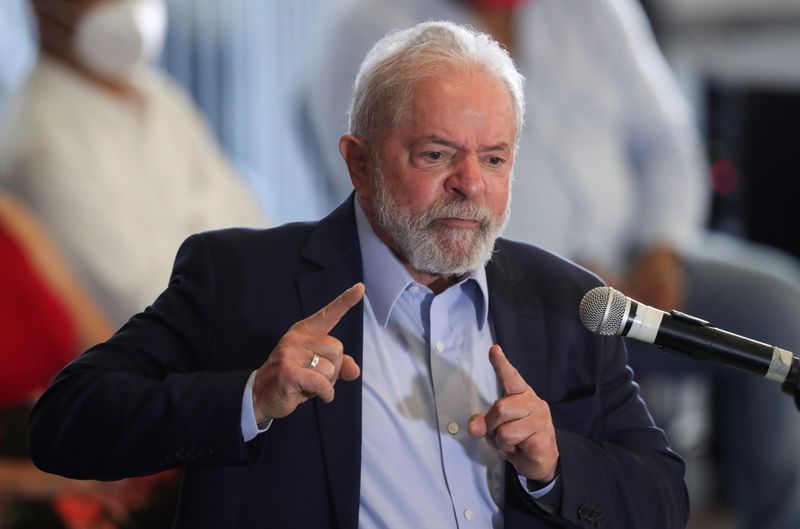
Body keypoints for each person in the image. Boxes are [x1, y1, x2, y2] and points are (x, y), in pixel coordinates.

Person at [29, 21, 688, 529]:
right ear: (358, 161)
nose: (470, 186)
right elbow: (64, 424)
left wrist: (556, 465)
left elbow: (664, 498)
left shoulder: (565, 300)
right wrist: (248, 398)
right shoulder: (238, 280)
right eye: (437, 154)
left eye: (494, 159)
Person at [298, 1, 800, 527]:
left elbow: (669, 143)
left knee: (777, 304)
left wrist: (662, 247)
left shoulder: (599, 11)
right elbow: (399, 210)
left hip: (638, 264)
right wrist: (557, 271)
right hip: (510, 277)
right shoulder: (367, 27)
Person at [0, 0, 267, 327]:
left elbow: (259, 230)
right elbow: (148, 307)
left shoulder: (161, 98)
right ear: (40, 7)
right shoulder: (41, 146)